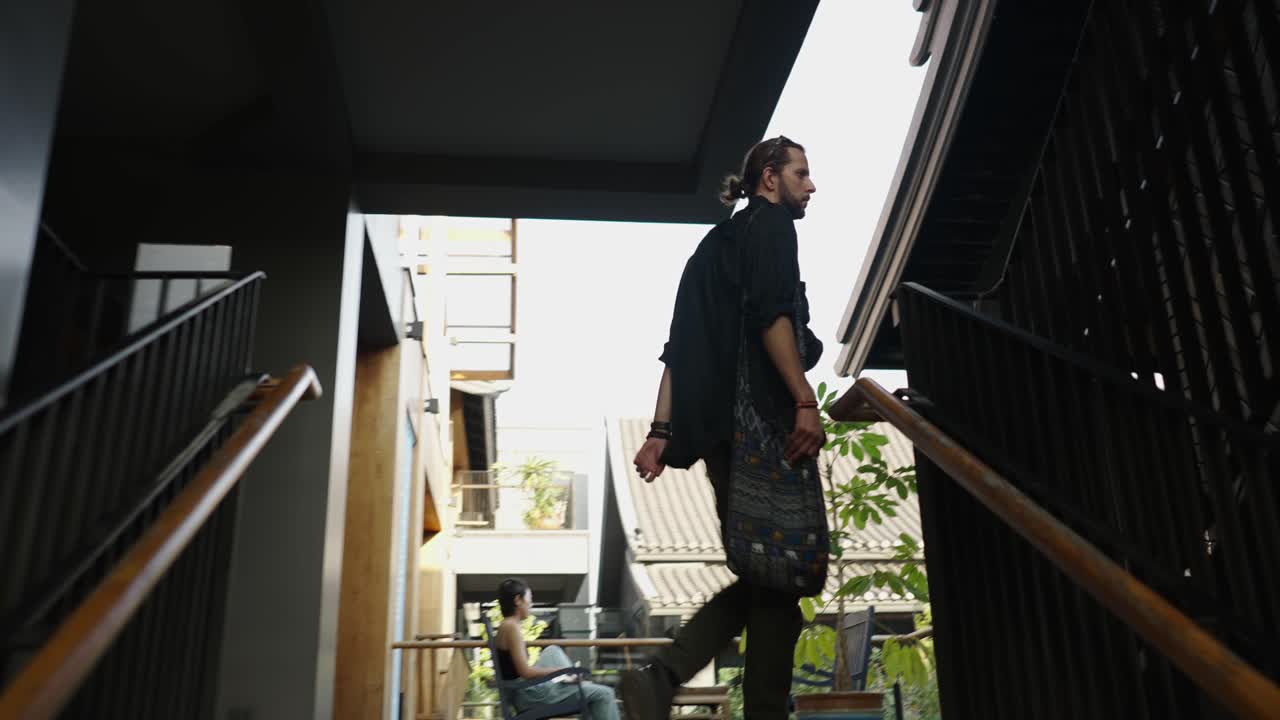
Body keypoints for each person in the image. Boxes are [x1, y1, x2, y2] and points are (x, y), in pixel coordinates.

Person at [618, 136, 824, 720]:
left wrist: (661, 431)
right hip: (769, 428)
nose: (811, 186)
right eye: (802, 173)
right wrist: (804, 400)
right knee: (790, 570)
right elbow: (771, 316)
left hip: (723, 440)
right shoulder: (774, 229)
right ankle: (666, 675)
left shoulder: (710, 248)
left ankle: (664, 680)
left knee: (771, 581)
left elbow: (678, 351)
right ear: (769, 178)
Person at [493, 578, 619, 720]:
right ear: (518, 600)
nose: (531, 604)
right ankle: (575, 682)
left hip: (523, 690)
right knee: (605, 694)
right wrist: (561, 671)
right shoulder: (512, 627)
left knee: (552, 650)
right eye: (530, 599)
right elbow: (526, 672)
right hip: (528, 696)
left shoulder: (507, 625)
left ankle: (575, 682)